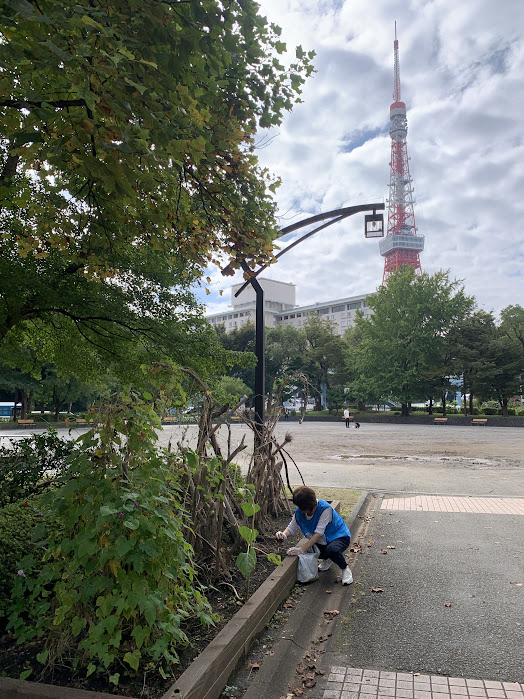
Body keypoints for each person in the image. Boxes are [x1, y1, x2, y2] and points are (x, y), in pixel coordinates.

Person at [276, 486, 353, 585]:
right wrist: (283, 535)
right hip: (322, 540)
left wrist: (301, 549)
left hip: (339, 537)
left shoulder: (325, 509)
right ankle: (327, 560)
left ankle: (345, 569)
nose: (299, 509)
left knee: (332, 550)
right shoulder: (300, 512)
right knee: (314, 549)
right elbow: (291, 528)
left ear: (309, 506)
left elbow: (318, 534)